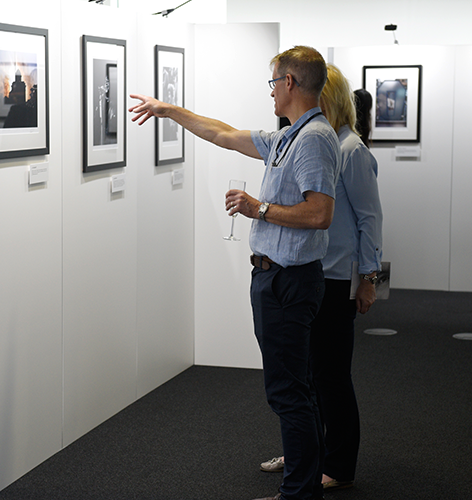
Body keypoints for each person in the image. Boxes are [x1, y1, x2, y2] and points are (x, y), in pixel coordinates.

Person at [130, 45, 340, 500]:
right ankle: (303, 483)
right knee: (291, 387)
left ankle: (300, 492)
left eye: (273, 83)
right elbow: (222, 133)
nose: (270, 94)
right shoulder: (288, 136)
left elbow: (320, 213)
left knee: (288, 391)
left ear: (289, 83)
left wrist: (258, 208)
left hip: (289, 280)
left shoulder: (314, 140)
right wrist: (169, 110)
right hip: (275, 277)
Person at [258, 65, 383, 493]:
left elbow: (371, 221)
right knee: (305, 377)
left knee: (330, 377)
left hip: (334, 279)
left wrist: (370, 280)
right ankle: (304, 456)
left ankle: (339, 464)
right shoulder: (310, 143)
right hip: (310, 272)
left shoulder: (350, 149)